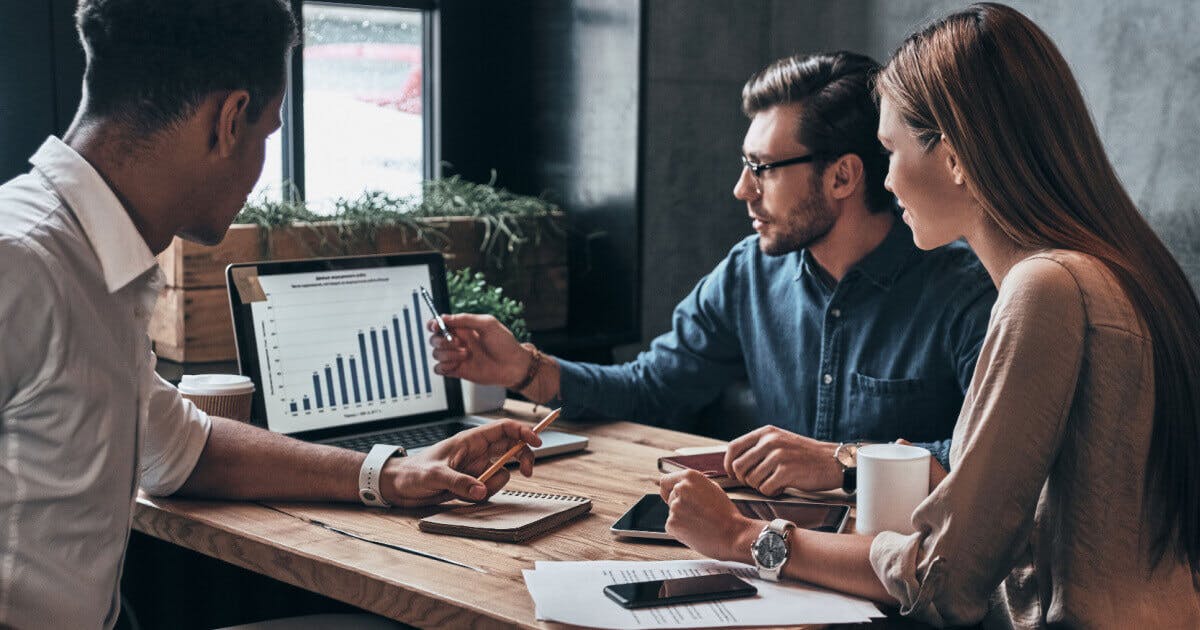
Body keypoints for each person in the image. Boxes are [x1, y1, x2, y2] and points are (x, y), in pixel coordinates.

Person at [0, 2, 540, 628]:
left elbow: (182, 449)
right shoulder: (21, 264)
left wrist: (393, 474)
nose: (260, 171)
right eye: (267, 134)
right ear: (229, 120)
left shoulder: (91, 262)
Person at [659, 3, 1200, 627]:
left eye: (889, 152)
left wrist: (741, 537)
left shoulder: (1045, 289)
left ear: (955, 155)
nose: (884, 182)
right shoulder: (1115, 271)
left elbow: (944, 580)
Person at [431, 51, 995, 494]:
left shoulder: (965, 292)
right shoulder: (747, 274)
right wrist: (524, 367)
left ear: (843, 178)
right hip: (771, 557)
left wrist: (842, 461)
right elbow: (652, 389)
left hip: (902, 578)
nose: (741, 189)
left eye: (762, 169)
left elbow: (988, 464)